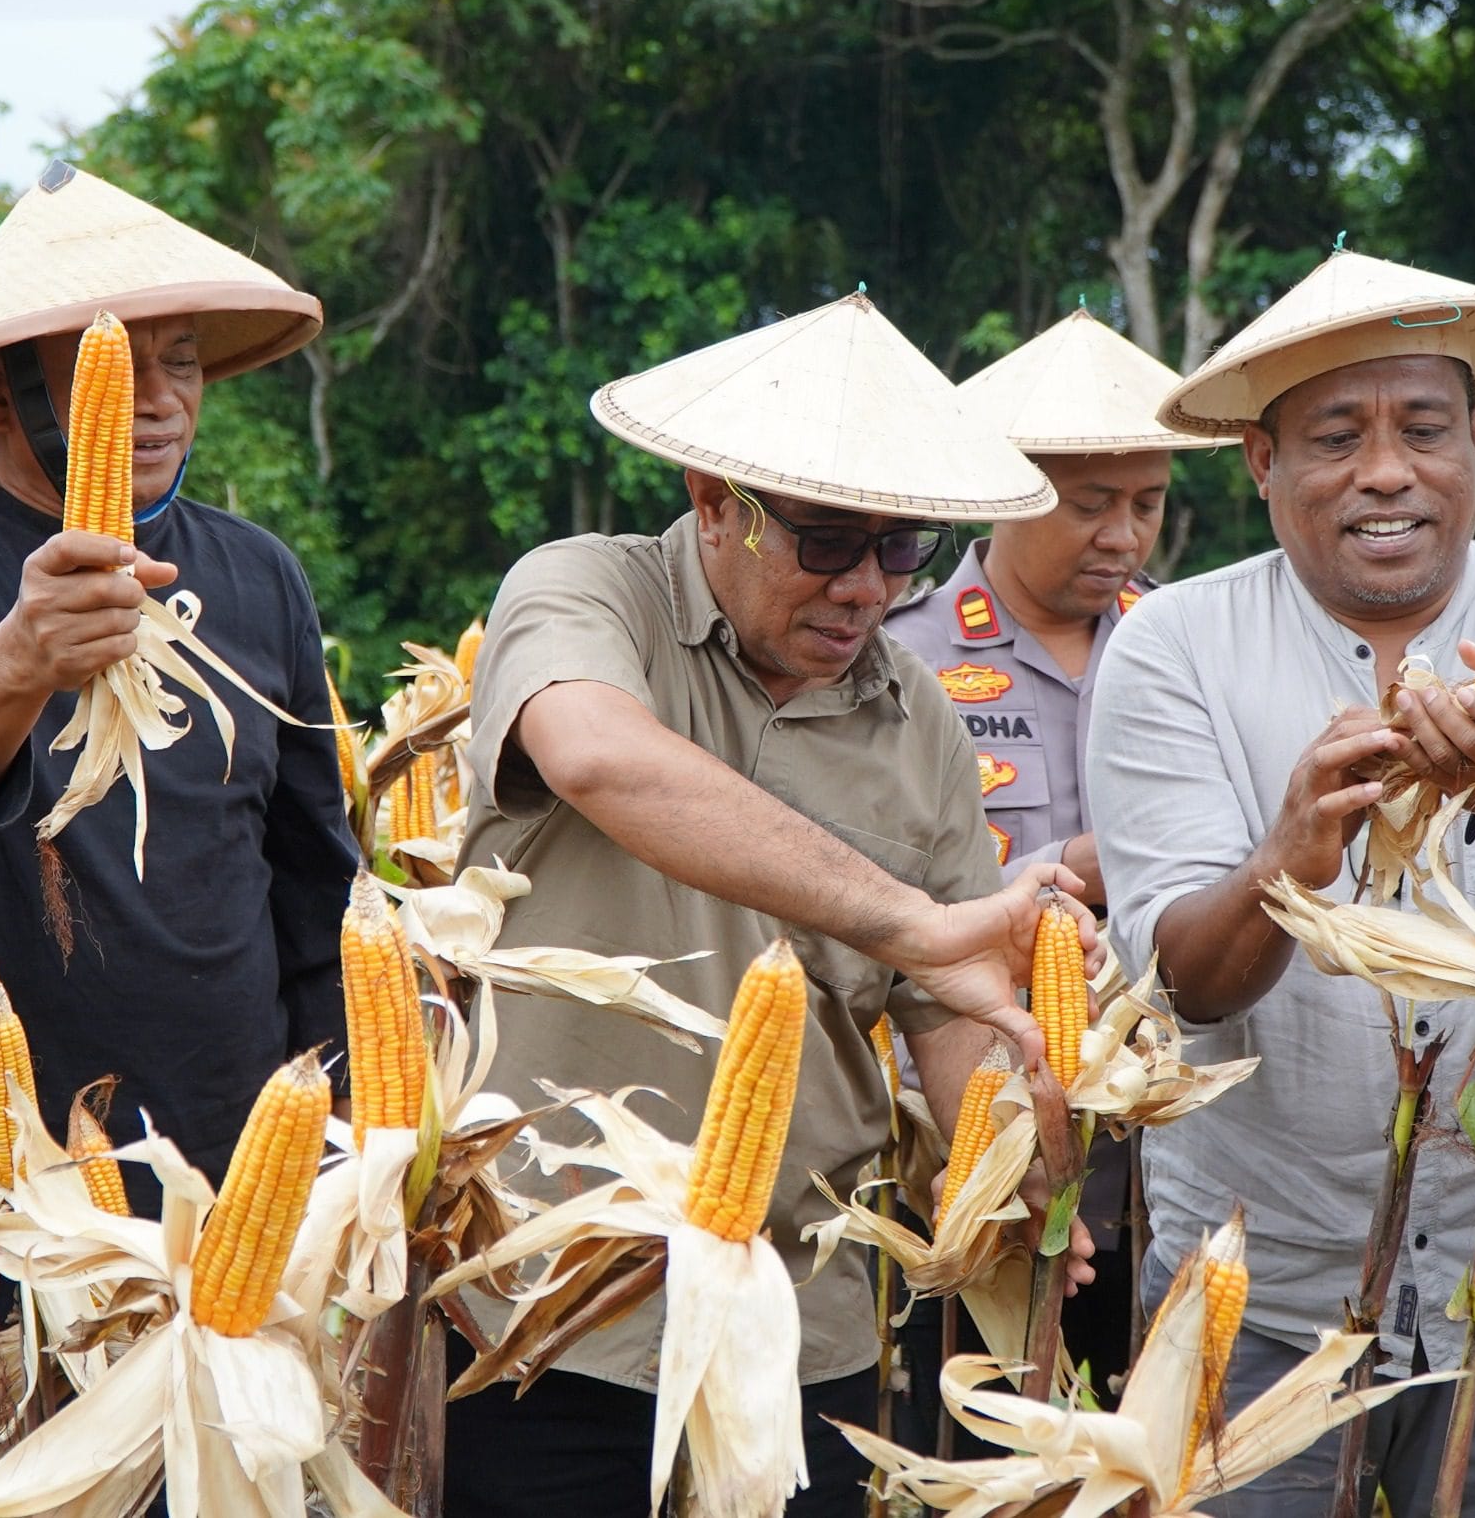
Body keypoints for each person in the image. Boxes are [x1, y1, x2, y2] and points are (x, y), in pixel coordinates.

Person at [441, 291, 1095, 1518]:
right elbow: (595, 754)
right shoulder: (588, 592)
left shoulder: (922, 725)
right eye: (827, 540)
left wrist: (1001, 1180)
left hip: (807, 1331)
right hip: (551, 1313)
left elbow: (947, 1004)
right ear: (710, 498)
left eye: (900, 548)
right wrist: (906, 916)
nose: (865, 587)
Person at [1088, 247, 1475, 1518]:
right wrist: (1289, 854)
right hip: (1254, 1295)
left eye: (1422, 427)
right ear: (1258, 457)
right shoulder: (1168, 646)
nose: (1384, 472)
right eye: (1333, 436)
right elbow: (1189, 986)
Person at [0, 161, 356, 1502]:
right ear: (0, 391)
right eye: (115, 368)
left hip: (226, 1186)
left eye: (183, 362)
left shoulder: (256, 573)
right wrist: (17, 655)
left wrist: (339, 1142)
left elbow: (316, 886)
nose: (161, 399)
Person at [886, 305, 1227, 1402]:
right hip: (971, 1125)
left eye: (1147, 504)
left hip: (1160, 1137)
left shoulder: (1186, 645)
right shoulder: (899, 652)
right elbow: (888, 893)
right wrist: (1093, 858)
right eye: (1090, 506)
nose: (1124, 536)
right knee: (976, 1425)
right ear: (1007, 486)